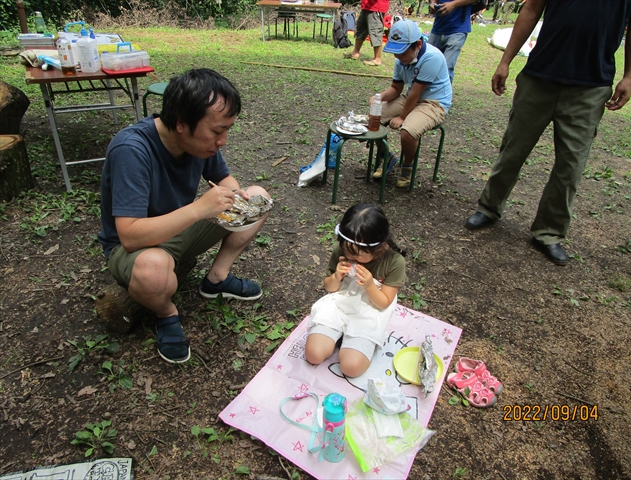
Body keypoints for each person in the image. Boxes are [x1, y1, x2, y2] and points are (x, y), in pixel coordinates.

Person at [98, 69, 270, 363]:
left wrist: (238, 195)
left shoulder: (199, 142)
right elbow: (129, 235)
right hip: (137, 249)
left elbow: (224, 179)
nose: (223, 140)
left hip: (178, 231)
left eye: (227, 130)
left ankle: (217, 279)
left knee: (259, 198)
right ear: (181, 123)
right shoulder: (133, 149)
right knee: (154, 266)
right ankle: (166, 314)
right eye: (218, 131)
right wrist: (199, 209)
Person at [465, 0, 631, 266]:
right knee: (513, 149)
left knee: (571, 166)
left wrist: (629, 76)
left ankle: (547, 232)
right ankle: (489, 208)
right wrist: (505, 61)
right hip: (540, 76)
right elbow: (532, 9)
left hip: (591, 87)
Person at [305, 203, 407, 378]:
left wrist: (369, 285)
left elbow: (383, 303)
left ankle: (356, 341)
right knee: (313, 355)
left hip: (370, 310)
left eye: (357, 254)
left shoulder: (394, 262)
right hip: (341, 303)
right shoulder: (344, 249)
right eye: (347, 251)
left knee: (351, 368)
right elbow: (330, 288)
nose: (351, 257)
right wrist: (336, 277)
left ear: (378, 247)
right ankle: (337, 335)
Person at [371, 19, 452, 188]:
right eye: (395, 53)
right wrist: (379, 97)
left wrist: (401, 117)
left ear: (418, 44)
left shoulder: (433, 57)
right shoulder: (400, 60)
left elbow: (416, 92)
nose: (398, 57)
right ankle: (386, 157)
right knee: (373, 117)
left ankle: (407, 166)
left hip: (434, 103)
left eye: (402, 52)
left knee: (408, 131)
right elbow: (396, 89)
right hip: (410, 99)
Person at [428, 0, 476, 84]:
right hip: (438, 27)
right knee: (427, 64)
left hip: (457, 28)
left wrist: (454, 4)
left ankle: (443, 96)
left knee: (446, 68)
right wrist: (432, 3)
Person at [343, 0, 390, 66]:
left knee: (375, 32)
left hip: (376, 8)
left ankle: (377, 59)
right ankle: (355, 52)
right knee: (360, 28)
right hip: (366, 6)